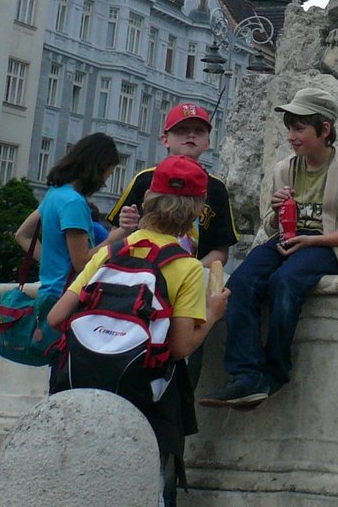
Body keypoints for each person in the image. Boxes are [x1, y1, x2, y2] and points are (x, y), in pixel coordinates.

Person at [47, 155, 229, 507]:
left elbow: (56, 318)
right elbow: (180, 347)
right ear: (196, 211)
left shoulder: (110, 253)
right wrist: (213, 313)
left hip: (81, 386)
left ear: (147, 200)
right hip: (142, 397)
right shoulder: (186, 267)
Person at [202, 87, 338, 408]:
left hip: (324, 246)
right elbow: (270, 227)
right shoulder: (285, 168)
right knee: (241, 282)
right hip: (287, 239)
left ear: (324, 130)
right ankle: (246, 374)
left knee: (285, 282)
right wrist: (277, 212)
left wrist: (313, 240)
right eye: (290, 128)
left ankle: (275, 370)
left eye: (299, 128)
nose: (291, 137)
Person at [106, 102, 238, 394]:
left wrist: (187, 270)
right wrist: (125, 228)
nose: (190, 135)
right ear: (165, 139)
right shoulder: (145, 180)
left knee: (185, 354)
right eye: (182, 130)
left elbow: (221, 250)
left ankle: (181, 396)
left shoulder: (216, 189)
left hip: (190, 278)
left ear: (208, 141)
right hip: (142, 281)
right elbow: (115, 239)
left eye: (198, 131)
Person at [31, 132, 122, 341]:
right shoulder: (74, 203)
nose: (104, 182)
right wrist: (113, 239)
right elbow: (81, 262)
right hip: (67, 297)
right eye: (107, 174)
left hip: (48, 292)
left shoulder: (55, 193)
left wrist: (51, 262)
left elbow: (22, 234)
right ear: (97, 167)